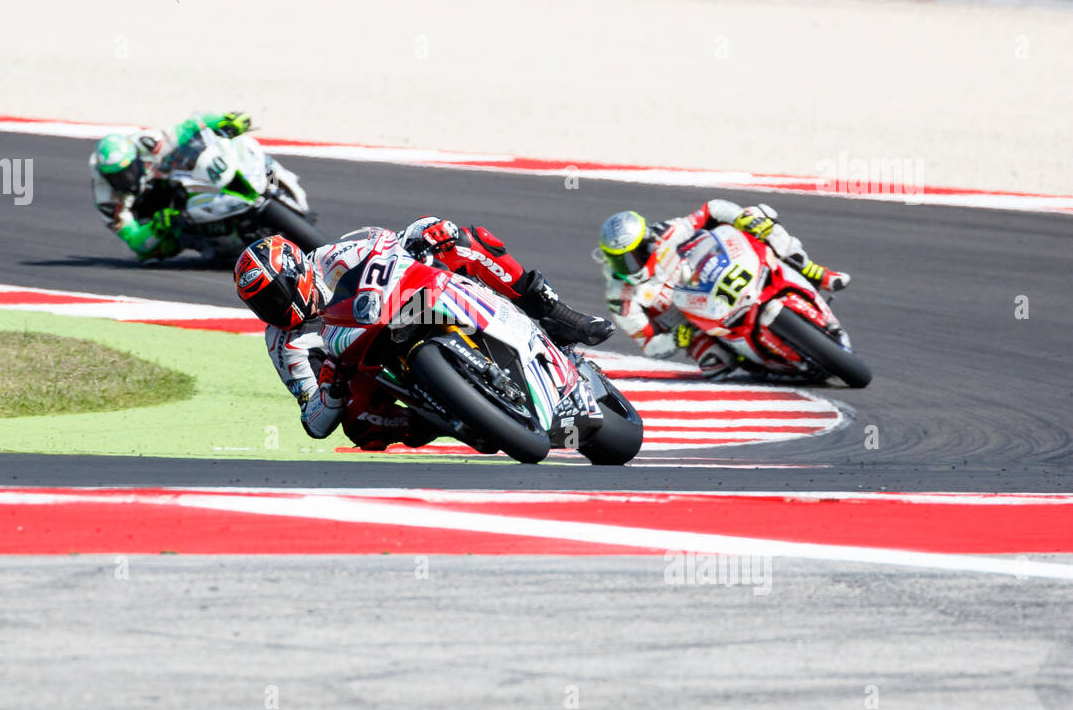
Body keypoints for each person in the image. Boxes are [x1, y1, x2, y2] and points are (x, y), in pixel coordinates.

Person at [234, 219, 613, 450]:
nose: (274, 309)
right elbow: (314, 422)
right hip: (367, 365)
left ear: (296, 271)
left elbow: (390, 240)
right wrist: (331, 392)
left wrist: (425, 232)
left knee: (465, 239)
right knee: (357, 424)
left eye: (275, 295)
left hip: (400, 304)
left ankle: (555, 312)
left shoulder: (334, 257)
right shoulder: (283, 345)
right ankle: (448, 418)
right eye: (262, 305)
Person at [597, 200, 850, 378]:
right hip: (694, 325)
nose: (629, 265)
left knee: (759, 215)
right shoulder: (620, 297)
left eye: (634, 255)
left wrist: (741, 218)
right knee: (715, 367)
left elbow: (712, 209)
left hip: (720, 277)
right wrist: (675, 339)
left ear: (648, 240)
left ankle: (810, 270)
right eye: (620, 259)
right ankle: (762, 362)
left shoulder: (667, 233)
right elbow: (648, 344)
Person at [89, 111, 252, 262]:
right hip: (160, 215)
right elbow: (135, 241)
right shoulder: (107, 200)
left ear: (136, 157)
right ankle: (220, 244)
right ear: (105, 176)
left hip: (174, 180)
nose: (127, 179)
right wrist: (155, 228)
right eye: (117, 177)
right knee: (165, 247)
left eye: (128, 171)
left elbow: (190, 127)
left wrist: (223, 121)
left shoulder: (148, 143)